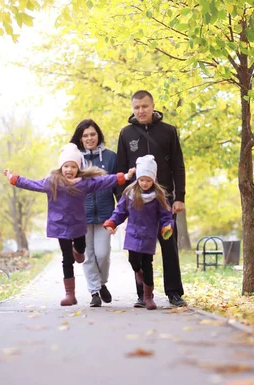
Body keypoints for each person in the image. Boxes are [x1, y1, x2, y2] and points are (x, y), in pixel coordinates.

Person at [3, 143, 135, 307]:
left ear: (78, 168)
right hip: (60, 226)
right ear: (61, 167)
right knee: (67, 259)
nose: (69, 170)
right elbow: (32, 184)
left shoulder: (83, 183)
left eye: (73, 166)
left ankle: (78, 251)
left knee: (80, 249)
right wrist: (14, 178)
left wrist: (124, 177)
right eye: (66, 166)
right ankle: (70, 294)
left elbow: (102, 181)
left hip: (79, 224)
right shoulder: (52, 182)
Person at [116, 90, 187, 307]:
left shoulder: (168, 132)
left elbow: (178, 166)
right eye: (136, 107)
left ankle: (174, 293)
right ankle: (142, 294)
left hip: (164, 201)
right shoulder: (126, 134)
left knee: (169, 248)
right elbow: (120, 169)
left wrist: (179, 197)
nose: (141, 111)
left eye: (144, 106)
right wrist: (123, 203)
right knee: (138, 250)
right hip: (137, 204)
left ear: (153, 105)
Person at [103, 155, 173, 310]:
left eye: (148, 180)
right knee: (134, 262)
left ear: (154, 179)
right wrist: (112, 222)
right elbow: (120, 211)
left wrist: (167, 226)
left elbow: (166, 215)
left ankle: (147, 296)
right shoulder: (130, 194)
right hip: (133, 233)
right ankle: (141, 280)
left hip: (148, 235)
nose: (144, 183)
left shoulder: (158, 196)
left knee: (147, 264)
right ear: (137, 178)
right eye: (142, 180)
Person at [70, 119, 117, 307]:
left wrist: (121, 211)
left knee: (103, 254)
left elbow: (116, 184)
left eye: (92, 134)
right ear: (80, 139)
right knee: (88, 255)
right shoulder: (74, 160)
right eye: (85, 135)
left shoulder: (111, 157)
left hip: (106, 213)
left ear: (98, 135)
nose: (89, 138)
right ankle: (94, 291)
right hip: (81, 215)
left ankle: (102, 283)